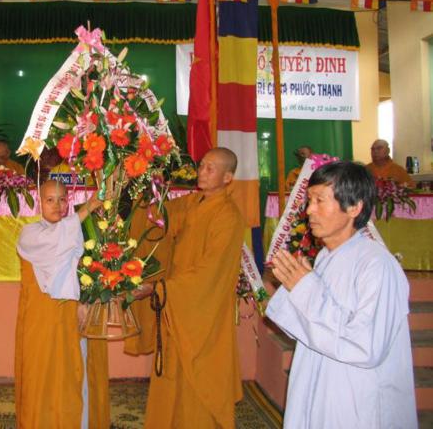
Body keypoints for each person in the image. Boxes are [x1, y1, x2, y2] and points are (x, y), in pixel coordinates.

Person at [266, 161, 417, 428]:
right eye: (309, 200)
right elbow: (310, 326)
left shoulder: (377, 266)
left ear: (354, 207)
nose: (309, 210)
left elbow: (365, 346)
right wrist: (294, 288)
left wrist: (305, 288)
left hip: (355, 399)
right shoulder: (326, 257)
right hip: (320, 387)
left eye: (319, 200)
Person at [137, 147, 245, 429]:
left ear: (228, 177)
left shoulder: (228, 217)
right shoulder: (192, 202)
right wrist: (141, 188)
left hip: (202, 309)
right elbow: (159, 220)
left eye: (211, 168)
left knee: (199, 376)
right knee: (172, 372)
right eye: (201, 166)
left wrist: (159, 288)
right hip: (178, 303)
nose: (201, 172)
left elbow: (211, 272)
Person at [15, 180, 110, 429]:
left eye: (62, 199)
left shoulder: (78, 230)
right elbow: (55, 240)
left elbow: (89, 273)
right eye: (50, 200)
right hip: (42, 321)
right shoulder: (30, 234)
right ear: (40, 202)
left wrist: (86, 301)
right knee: (42, 375)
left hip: (72, 316)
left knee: (72, 373)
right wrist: (88, 207)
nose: (57, 205)